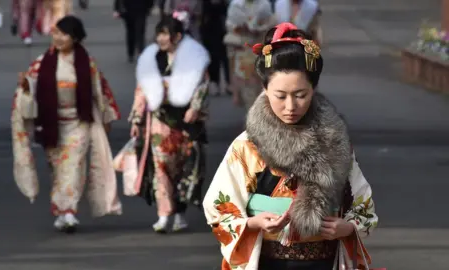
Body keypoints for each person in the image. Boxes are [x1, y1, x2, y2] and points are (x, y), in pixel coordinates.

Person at [203, 23, 378, 269]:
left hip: (323, 262)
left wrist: (347, 227)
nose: (290, 106)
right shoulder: (246, 146)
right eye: (280, 95)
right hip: (268, 261)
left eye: (300, 95)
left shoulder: (335, 141)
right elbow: (218, 207)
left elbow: (363, 204)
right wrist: (253, 224)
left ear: (313, 89)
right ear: (264, 89)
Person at [11, 15, 122, 233]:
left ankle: (69, 210)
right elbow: (30, 86)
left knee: (73, 166)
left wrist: (106, 116)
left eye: (64, 34)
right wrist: (25, 85)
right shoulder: (43, 62)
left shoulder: (86, 62)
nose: (58, 38)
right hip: (51, 123)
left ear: (75, 38)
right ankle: (61, 211)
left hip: (78, 123)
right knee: (58, 169)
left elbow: (100, 90)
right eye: (56, 33)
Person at [128, 14, 210, 233]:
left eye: (165, 34)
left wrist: (195, 107)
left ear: (177, 37)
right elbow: (142, 90)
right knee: (161, 169)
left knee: (185, 168)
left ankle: (181, 213)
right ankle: (164, 214)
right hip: (160, 123)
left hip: (185, 122)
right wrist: (137, 119)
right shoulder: (152, 60)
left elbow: (202, 85)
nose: (161, 39)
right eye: (159, 34)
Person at [224, 0, 277, 110]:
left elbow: (271, 23)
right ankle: (252, 113)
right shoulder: (236, 4)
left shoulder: (264, 4)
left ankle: (261, 113)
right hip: (243, 48)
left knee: (261, 83)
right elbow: (229, 24)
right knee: (246, 84)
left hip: (260, 47)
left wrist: (260, 28)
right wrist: (240, 28)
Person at [200, 0, 231, 95]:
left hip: (224, 29)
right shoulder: (205, 3)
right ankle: (214, 82)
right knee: (212, 56)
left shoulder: (226, 3)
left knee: (225, 57)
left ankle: (228, 82)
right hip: (208, 30)